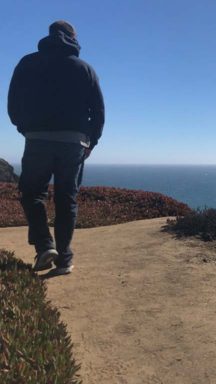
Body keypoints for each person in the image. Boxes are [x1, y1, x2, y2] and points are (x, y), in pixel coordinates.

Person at [7, 20, 105, 275]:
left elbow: (13, 103)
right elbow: (99, 111)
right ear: (73, 37)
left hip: (37, 139)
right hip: (74, 143)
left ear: (49, 35)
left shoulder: (28, 63)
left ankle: (44, 246)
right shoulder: (85, 69)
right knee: (66, 198)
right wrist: (91, 141)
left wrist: (24, 128)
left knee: (32, 193)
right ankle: (64, 259)